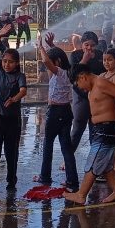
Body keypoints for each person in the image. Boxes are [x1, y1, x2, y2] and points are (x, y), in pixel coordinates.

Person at [63, 63, 115, 204]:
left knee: (93, 162)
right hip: (101, 129)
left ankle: (81, 194)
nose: (79, 87)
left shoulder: (100, 83)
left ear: (83, 77)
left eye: (78, 83)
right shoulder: (93, 87)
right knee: (105, 164)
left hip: (107, 129)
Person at [0, 24, 28, 190]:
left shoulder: (20, 76)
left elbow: (23, 91)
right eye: (4, 61)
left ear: (17, 63)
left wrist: (14, 99)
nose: (6, 65)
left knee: (11, 153)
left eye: (11, 62)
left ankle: (11, 182)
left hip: (13, 121)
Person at [37, 35, 78, 192]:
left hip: (55, 112)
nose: (48, 68)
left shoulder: (60, 73)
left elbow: (48, 61)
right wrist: (51, 45)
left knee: (47, 144)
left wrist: (41, 47)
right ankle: (72, 180)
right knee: (66, 147)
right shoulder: (68, 72)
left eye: (51, 66)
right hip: (66, 111)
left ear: (58, 63)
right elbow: (54, 58)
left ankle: (45, 176)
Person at [68, 31, 105, 155]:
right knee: (78, 128)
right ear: (82, 44)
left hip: (97, 97)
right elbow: (73, 75)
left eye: (92, 45)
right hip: (81, 97)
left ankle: (94, 157)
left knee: (95, 128)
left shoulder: (100, 56)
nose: (89, 48)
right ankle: (68, 158)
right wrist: (84, 60)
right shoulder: (75, 56)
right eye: (86, 45)